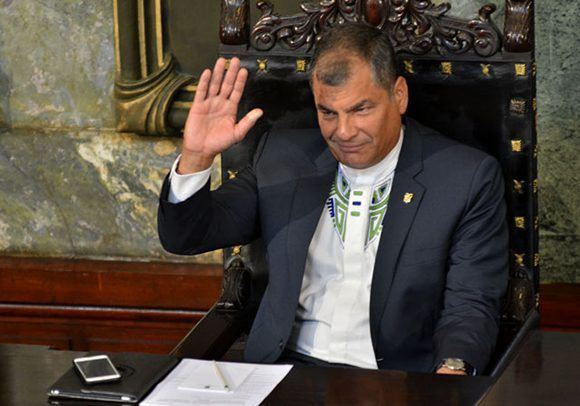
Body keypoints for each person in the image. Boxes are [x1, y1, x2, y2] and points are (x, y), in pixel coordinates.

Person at [158, 23, 508, 375]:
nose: (343, 132)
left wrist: (452, 371)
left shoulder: (464, 178)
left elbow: (471, 303)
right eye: (328, 112)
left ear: (398, 95)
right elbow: (187, 236)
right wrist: (196, 157)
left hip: (396, 381)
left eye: (361, 110)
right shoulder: (283, 158)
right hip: (282, 373)